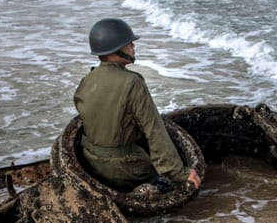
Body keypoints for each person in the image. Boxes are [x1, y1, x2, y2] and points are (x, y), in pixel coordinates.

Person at [74, 18, 202, 193]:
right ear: (115, 50)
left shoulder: (87, 80)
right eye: (129, 44)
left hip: (91, 163)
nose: (133, 47)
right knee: (164, 183)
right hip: (125, 170)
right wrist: (179, 173)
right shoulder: (132, 82)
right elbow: (154, 130)